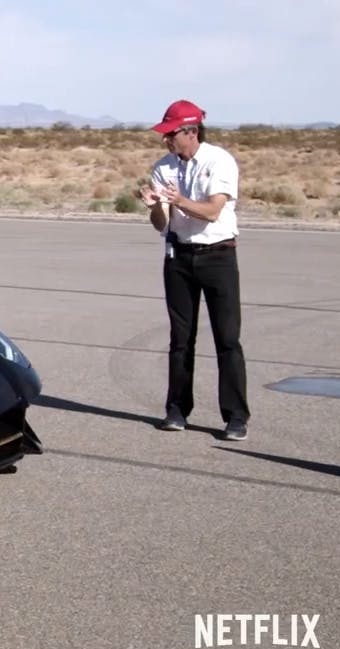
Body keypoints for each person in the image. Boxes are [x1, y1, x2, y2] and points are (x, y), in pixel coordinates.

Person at [136, 99, 250, 441]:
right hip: (179, 258)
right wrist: (155, 207)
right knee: (180, 338)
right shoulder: (163, 167)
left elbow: (214, 211)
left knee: (227, 338)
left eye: (171, 134)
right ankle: (176, 409)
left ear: (191, 131)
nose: (166, 140)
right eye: (165, 134)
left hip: (218, 256)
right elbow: (161, 223)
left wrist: (180, 200)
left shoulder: (219, 161)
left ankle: (235, 416)